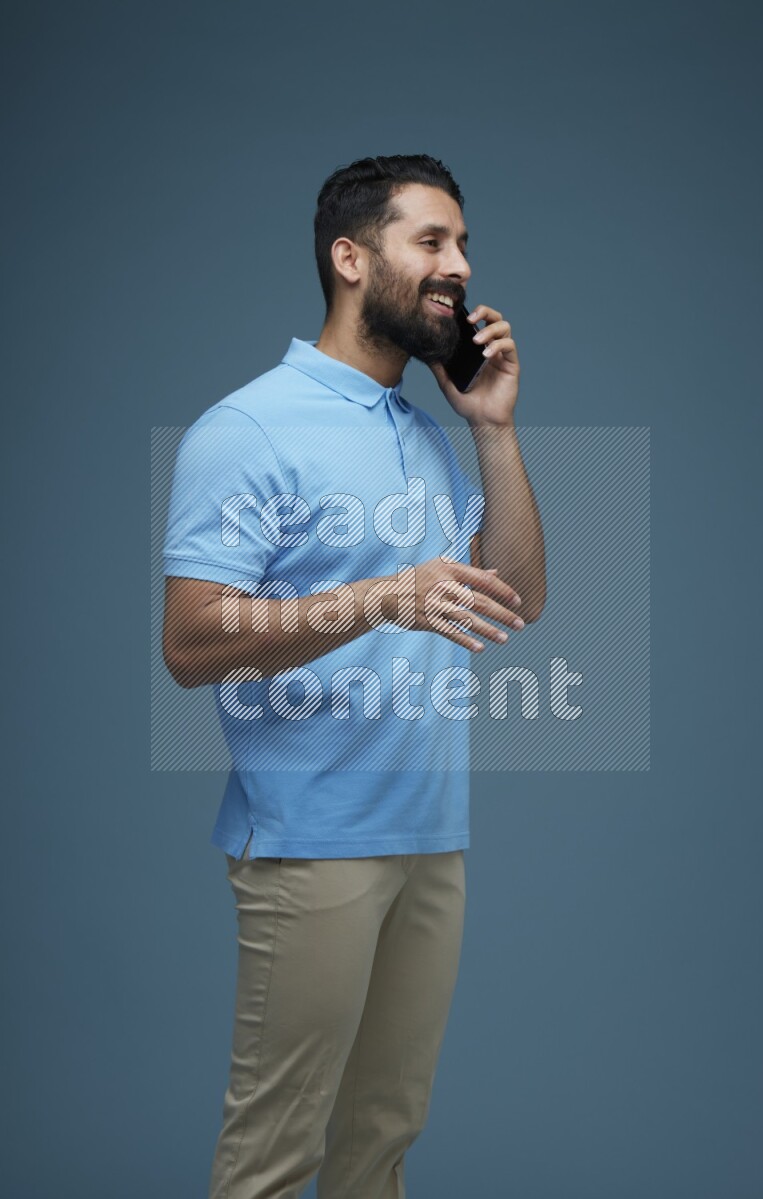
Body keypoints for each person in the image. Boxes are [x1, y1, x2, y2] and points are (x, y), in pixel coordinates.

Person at [161, 153, 546, 1199]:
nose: (457, 266)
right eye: (431, 241)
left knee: (381, 1139)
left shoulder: (425, 435)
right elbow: (191, 644)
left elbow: (512, 599)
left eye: (462, 243)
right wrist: (379, 596)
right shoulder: (246, 429)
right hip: (307, 839)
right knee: (275, 1155)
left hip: (429, 833)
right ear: (348, 257)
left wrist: (493, 430)